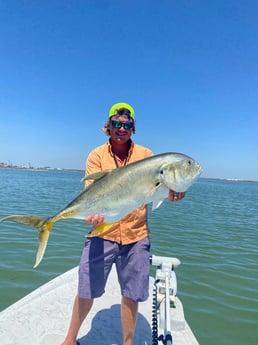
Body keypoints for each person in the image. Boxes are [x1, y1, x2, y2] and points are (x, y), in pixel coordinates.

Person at [61, 102, 185, 345]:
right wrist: (94, 214)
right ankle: (69, 340)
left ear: (133, 127)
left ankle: (127, 343)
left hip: (136, 235)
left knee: (132, 294)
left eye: (127, 124)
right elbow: (91, 192)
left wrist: (174, 193)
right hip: (102, 231)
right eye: (116, 123)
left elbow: (157, 192)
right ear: (108, 126)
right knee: (86, 289)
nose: (121, 128)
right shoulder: (96, 155)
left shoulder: (146, 156)